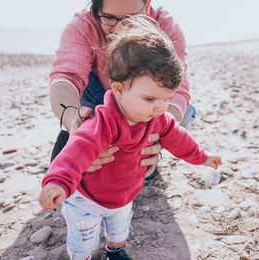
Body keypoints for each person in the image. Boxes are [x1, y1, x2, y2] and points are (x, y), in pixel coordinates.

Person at [39, 16, 222, 260]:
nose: (160, 107)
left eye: (166, 99)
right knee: (84, 239)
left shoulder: (157, 118)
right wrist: (58, 182)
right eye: (150, 99)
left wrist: (203, 157)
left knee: (119, 229)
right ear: (119, 90)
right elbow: (76, 152)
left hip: (123, 196)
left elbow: (180, 140)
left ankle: (114, 250)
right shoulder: (104, 123)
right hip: (87, 198)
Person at [49, 0, 195, 180]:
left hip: (146, 107)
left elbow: (179, 89)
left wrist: (158, 135)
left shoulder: (165, 25)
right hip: (99, 101)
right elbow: (65, 77)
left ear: (147, 6)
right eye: (109, 18)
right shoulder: (82, 26)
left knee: (185, 111)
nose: (120, 29)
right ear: (97, 9)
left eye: (131, 18)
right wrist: (72, 121)